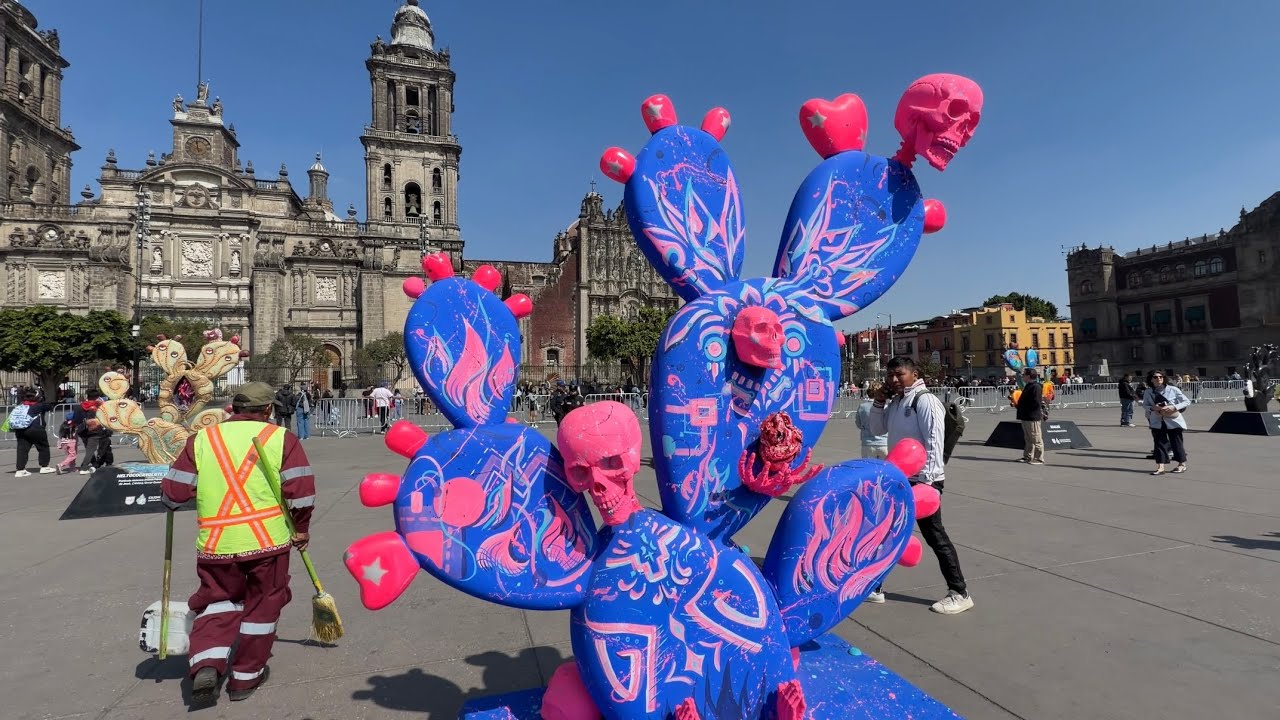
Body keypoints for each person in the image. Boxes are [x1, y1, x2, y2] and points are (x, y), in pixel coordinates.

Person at [161, 382, 316, 706]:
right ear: (269, 410)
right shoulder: (280, 438)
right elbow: (300, 492)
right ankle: (245, 677)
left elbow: (174, 492)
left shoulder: (203, 438)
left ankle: (206, 664)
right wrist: (301, 529)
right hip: (267, 542)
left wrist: (174, 498)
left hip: (216, 543)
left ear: (233, 407)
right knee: (263, 606)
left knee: (216, 602)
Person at [866, 357, 973, 615]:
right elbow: (876, 428)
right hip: (901, 476)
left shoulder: (924, 400)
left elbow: (934, 442)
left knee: (935, 536)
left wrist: (930, 483)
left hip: (924, 480)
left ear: (915, 373)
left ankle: (959, 592)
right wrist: (879, 402)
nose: (893, 379)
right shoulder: (897, 400)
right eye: (890, 375)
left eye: (899, 374)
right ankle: (875, 586)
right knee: (887, 531)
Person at [1142, 370, 1190, 475]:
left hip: (1173, 420)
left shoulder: (1173, 389)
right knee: (1159, 444)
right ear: (1151, 379)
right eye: (1155, 377)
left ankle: (1182, 464)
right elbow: (1145, 405)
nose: (1158, 379)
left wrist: (1174, 407)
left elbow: (1186, 401)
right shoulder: (1148, 392)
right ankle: (1161, 467)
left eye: (1161, 377)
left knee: (1176, 443)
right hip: (1157, 420)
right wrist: (1152, 408)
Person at [9, 390, 55, 477]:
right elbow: (50, 406)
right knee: (43, 447)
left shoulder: (20, 406)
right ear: (37, 397)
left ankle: (20, 469)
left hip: (20, 429)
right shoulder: (39, 406)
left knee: (22, 450)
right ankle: (44, 466)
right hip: (36, 429)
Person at [1016, 368, 1046, 465]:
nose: (1022, 376)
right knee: (1028, 438)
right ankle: (1028, 456)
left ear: (1029, 376)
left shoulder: (1036, 387)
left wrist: (1026, 408)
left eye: (1024, 374)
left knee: (1036, 438)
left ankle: (1039, 458)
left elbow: (1036, 402)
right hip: (1025, 416)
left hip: (1032, 416)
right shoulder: (1028, 386)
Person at [855, 383, 889, 459]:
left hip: (868, 442)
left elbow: (858, 423)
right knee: (885, 469)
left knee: (868, 468)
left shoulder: (862, 407)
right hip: (884, 442)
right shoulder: (886, 407)